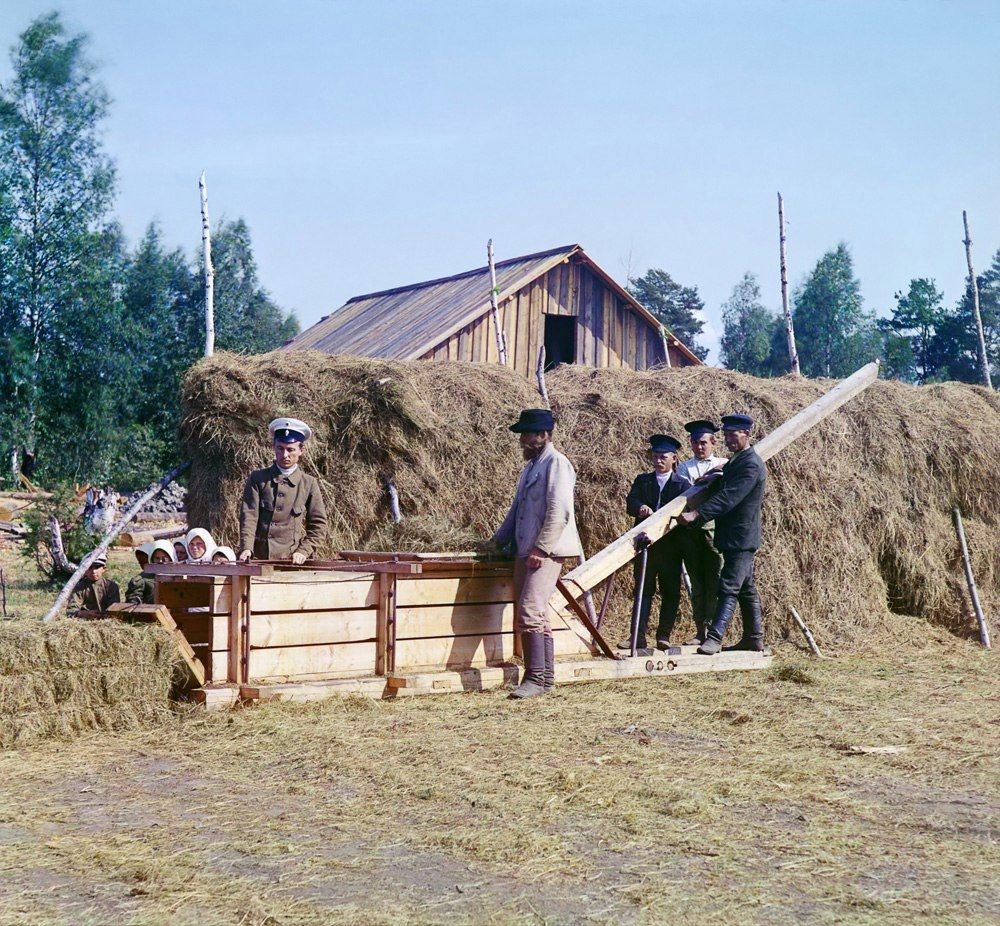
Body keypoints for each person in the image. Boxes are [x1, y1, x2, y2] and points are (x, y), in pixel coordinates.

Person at [491, 408, 582, 698]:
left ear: (543, 435)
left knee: (530, 610)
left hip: (545, 551)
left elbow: (559, 511)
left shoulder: (557, 463)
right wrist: (495, 543)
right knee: (535, 613)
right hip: (525, 547)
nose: (522, 440)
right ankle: (545, 681)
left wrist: (542, 549)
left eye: (527, 435)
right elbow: (516, 510)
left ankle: (534, 678)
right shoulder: (532, 466)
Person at [678, 413, 766, 655]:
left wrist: (697, 514)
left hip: (741, 537)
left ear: (747, 434)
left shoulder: (750, 464)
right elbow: (725, 485)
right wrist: (713, 478)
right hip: (733, 536)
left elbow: (730, 497)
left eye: (733, 434)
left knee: (728, 585)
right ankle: (754, 638)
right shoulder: (736, 461)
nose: (729, 439)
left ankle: (714, 638)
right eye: (726, 435)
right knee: (746, 586)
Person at [621, 434, 684, 653]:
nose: (658, 461)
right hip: (645, 546)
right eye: (655, 456)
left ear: (674, 459)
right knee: (642, 590)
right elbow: (631, 502)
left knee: (670, 591)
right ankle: (637, 636)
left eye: (663, 457)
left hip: (670, 547)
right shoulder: (643, 481)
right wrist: (640, 508)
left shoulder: (682, 485)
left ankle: (664, 635)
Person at [238, 417, 328, 564]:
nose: (285, 455)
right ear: (273, 447)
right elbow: (249, 516)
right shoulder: (258, 478)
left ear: (301, 450)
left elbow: (318, 525)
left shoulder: (309, 483)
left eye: (290, 449)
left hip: (291, 560)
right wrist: (247, 548)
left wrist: (303, 551)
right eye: (280, 448)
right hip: (259, 559)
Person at [673, 420, 727, 644]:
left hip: (715, 530)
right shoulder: (685, 468)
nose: (699, 447)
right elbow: (686, 495)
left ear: (713, 442)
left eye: (703, 442)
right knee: (697, 581)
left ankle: (716, 632)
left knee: (715, 579)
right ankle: (699, 631)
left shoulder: (724, 464)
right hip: (692, 532)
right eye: (695, 443)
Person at [67, 553, 121, 618]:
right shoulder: (79, 587)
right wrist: (83, 613)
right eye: (90, 568)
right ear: (85, 570)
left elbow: (115, 609)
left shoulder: (111, 586)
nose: (93, 571)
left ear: (104, 569)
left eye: (97, 567)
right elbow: (71, 610)